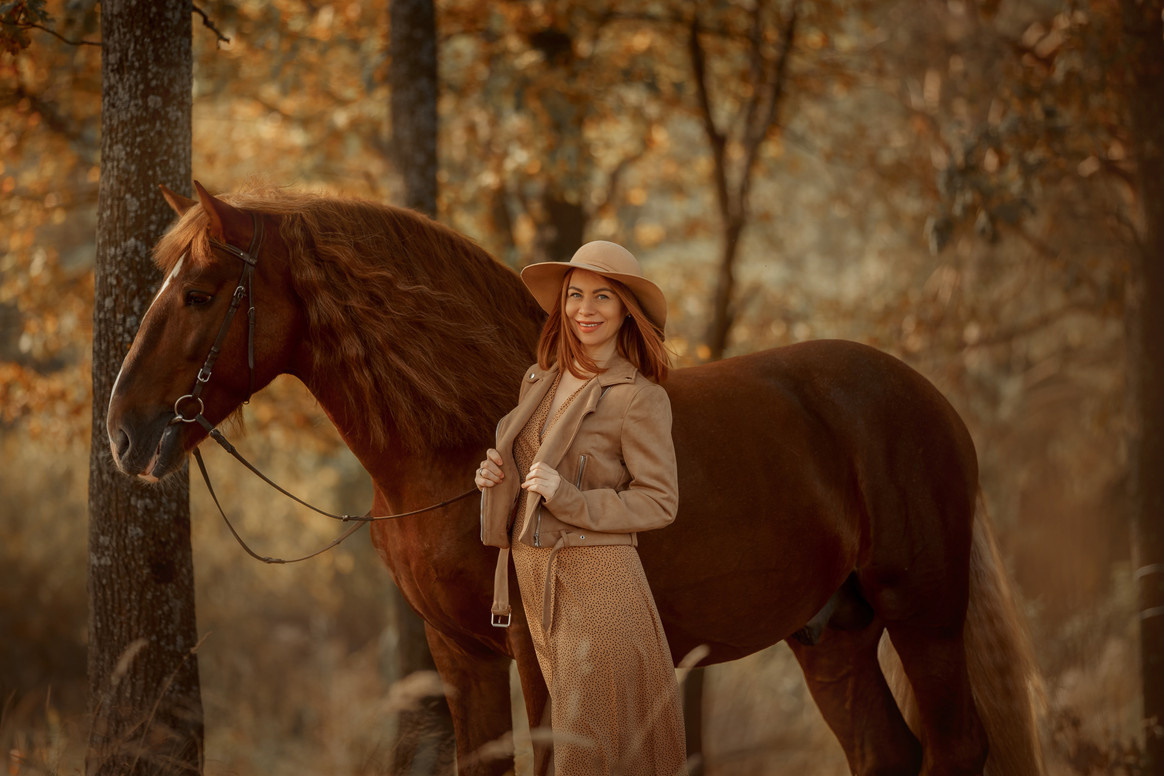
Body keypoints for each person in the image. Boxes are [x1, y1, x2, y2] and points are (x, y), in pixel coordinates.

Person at [476, 241, 686, 776]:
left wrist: (569, 498)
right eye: (574, 295)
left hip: (601, 588)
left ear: (625, 311)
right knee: (577, 746)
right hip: (538, 583)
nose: (584, 310)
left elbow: (660, 502)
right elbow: (530, 476)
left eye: (603, 297)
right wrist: (495, 480)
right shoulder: (538, 380)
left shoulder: (638, 397)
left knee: (587, 755)